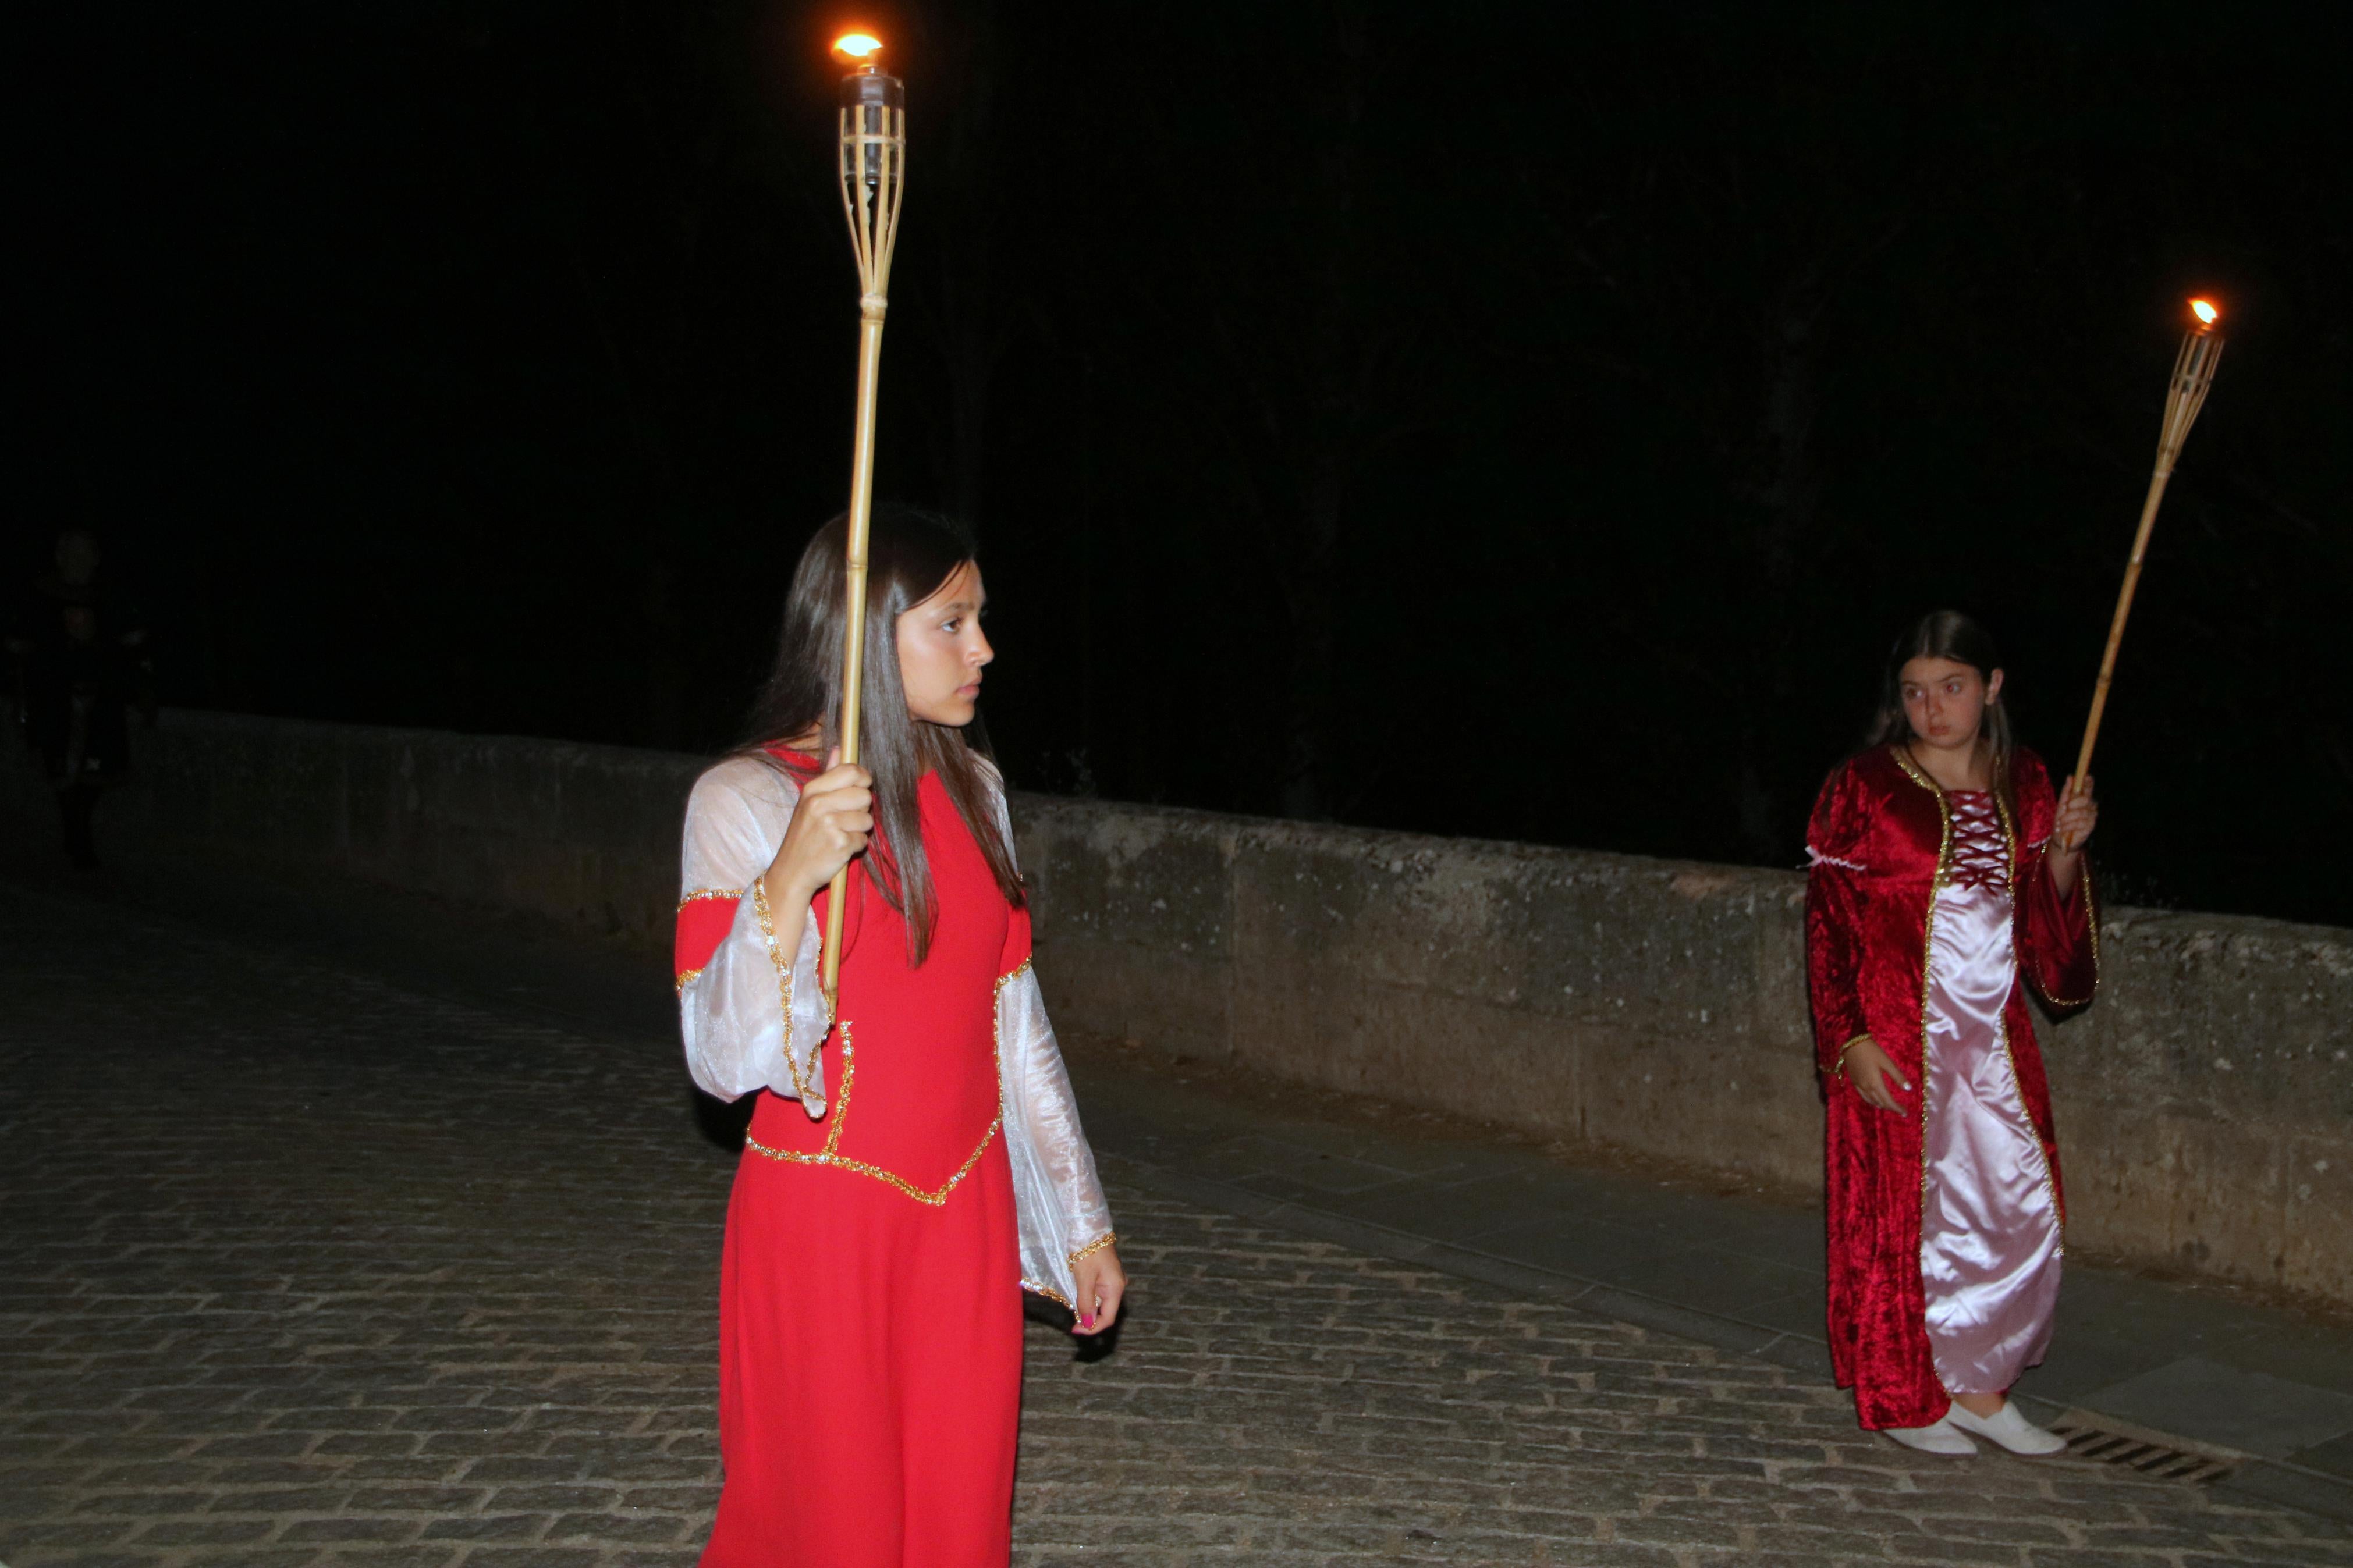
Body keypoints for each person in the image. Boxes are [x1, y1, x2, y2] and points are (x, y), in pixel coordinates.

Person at [673, 506, 1124, 1567]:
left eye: (979, 622)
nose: (983, 650)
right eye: (952, 624)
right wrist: (790, 875)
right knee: (827, 1523)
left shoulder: (975, 787)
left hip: (963, 1215)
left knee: (957, 1517)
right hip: (824, 1229)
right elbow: (719, 1056)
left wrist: (1080, 1220)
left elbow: (1014, 1025)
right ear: (868, 636)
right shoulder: (742, 798)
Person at [1804, 610, 2099, 1457]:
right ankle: (1902, 1393)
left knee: (2017, 1208)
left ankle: (1977, 1385)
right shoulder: (1860, 784)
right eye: (1914, 692)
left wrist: (2066, 855)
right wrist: (1846, 1035)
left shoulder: (2029, 781)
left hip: (1992, 1039)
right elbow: (1828, 924)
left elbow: (2052, 952)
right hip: (1895, 1033)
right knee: (1901, 1218)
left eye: (1952, 687)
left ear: (1990, 687)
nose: (1932, 709)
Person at [5, 529, 153, 869]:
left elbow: (134, 645)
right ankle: (78, 838)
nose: (79, 561)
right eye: (72, 554)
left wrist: (140, 690)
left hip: (102, 700)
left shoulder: (110, 596)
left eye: (86, 554)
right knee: (60, 769)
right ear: (60, 557)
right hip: (54, 700)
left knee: (96, 771)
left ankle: (77, 829)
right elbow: (19, 647)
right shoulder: (38, 595)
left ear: (96, 558)